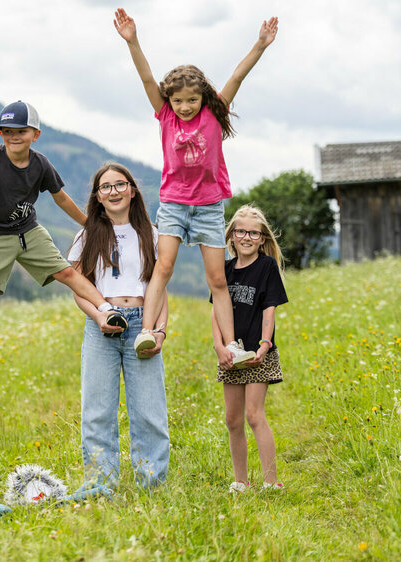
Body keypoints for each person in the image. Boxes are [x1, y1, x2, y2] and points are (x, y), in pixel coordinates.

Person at [113, 8, 278, 367]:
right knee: (163, 267)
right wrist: (133, 41)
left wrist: (261, 45)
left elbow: (237, 75)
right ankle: (148, 331)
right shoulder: (166, 115)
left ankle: (232, 344)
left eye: (191, 100)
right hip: (173, 203)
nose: (185, 107)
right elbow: (146, 80)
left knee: (218, 278)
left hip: (207, 206)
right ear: (169, 102)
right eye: (178, 101)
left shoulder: (214, 112)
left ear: (203, 98)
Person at [0, 100, 126, 368]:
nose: (13, 136)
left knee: (66, 272)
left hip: (28, 230)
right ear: (0, 134)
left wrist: (89, 223)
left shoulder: (41, 164)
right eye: (7, 131)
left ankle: (107, 310)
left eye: (21, 131)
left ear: (35, 135)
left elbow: (61, 199)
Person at [68, 163, 170, 488]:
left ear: (133, 190)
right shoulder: (87, 235)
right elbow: (78, 287)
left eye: (120, 185)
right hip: (102, 322)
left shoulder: (151, 234)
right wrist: (99, 314)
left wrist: (160, 330)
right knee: (97, 409)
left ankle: (151, 484)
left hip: (143, 322)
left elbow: (159, 286)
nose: (113, 191)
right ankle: (102, 484)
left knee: (149, 409)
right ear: (97, 197)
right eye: (106, 187)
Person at [210, 205, 288, 493]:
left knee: (254, 415)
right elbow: (216, 312)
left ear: (262, 238)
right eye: (240, 231)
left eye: (253, 233)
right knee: (232, 419)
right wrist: (219, 347)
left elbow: (269, 311)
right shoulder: (224, 270)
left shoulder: (266, 267)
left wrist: (265, 344)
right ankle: (241, 481)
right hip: (230, 356)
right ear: (231, 236)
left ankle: (270, 482)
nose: (246, 237)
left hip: (257, 355)